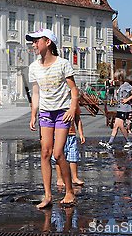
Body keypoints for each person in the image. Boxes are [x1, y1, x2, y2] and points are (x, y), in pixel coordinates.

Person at [27, 28, 77, 209]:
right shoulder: (33, 67)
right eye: (32, 42)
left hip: (63, 112)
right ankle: (47, 195)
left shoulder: (63, 64)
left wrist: (72, 108)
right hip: (46, 113)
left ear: (47, 42)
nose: (33, 45)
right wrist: (33, 114)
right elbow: (35, 93)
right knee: (45, 153)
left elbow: (74, 90)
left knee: (58, 153)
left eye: (36, 41)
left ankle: (69, 191)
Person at [99, 70, 132, 150]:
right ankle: (110, 143)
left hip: (125, 108)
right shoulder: (121, 85)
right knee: (115, 126)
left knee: (120, 125)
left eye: (116, 79)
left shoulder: (126, 85)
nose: (115, 80)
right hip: (120, 108)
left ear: (120, 78)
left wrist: (127, 100)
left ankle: (128, 141)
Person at [54, 102, 85, 187]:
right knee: (58, 156)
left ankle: (74, 177)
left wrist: (81, 134)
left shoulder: (74, 104)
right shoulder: (59, 101)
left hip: (71, 134)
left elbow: (77, 119)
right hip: (58, 134)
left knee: (73, 156)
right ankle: (59, 178)